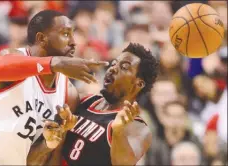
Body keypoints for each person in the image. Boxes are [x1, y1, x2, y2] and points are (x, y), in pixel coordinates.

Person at [0, 10, 108, 165]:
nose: (73, 42)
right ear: (41, 38)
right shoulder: (15, 58)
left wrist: (48, 144)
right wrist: (53, 63)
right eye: (65, 34)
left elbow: (38, 160)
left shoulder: (68, 93)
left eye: (73, 34)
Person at [27, 43, 159, 166]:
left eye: (124, 67)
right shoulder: (83, 101)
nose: (113, 68)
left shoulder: (138, 127)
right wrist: (51, 140)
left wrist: (118, 132)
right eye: (114, 63)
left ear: (138, 84)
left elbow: (124, 163)